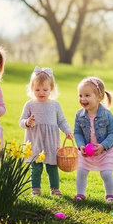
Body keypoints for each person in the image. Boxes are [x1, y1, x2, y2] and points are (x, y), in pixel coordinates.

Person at [19, 67, 73, 196]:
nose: (41, 92)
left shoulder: (55, 105)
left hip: (51, 141)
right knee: (36, 167)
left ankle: (55, 188)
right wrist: (27, 122)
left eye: (45, 89)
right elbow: (21, 121)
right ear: (32, 89)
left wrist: (67, 131)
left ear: (51, 89)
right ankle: (35, 189)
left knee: (52, 167)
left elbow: (61, 121)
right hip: (35, 140)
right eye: (37, 89)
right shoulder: (30, 104)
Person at [73, 77, 113, 203]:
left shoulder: (107, 114)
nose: (83, 99)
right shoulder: (79, 115)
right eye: (80, 95)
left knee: (106, 174)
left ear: (99, 97)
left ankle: (110, 195)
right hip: (87, 150)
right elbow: (77, 132)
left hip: (105, 150)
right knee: (81, 171)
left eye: (87, 95)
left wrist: (103, 146)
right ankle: (80, 194)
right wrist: (81, 145)